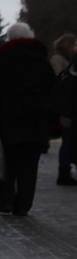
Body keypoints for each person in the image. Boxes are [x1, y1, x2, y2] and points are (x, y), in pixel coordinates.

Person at [0, 22, 55, 215]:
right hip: (35, 119)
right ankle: (23, 205)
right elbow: (51, 91)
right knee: (29, 166)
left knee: (7, 162)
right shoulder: (42, 61)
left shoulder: (3, 60)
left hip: (8, 118)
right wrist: (52, 121)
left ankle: (6, 201)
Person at [51, 34, 77, 186]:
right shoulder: (59, 60)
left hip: (70, 105)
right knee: (67, 138)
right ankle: (64, 171)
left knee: (70, 138)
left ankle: (66, 169)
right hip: (66, 106)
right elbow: (58, 79)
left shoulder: (67, 60)